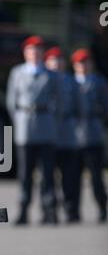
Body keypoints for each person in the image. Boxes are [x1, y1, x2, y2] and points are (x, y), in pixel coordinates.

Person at [7, 36, 61, 225]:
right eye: (31, 49)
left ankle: (49, 210)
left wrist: (54, 121)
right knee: (25, 172)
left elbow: (59, 101)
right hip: (25, 126)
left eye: (38, 49)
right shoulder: (17, 73)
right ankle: (23, 209)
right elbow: (11, 101)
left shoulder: (51, 75)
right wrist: (19, 121)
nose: (35, 53)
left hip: (46, 125)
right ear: (25, 52)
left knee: (47, 172)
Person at [71, 49, 108, 223]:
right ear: (75, 65)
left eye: (86, 62)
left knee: (96, 176)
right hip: (74, 136)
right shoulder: (70, 83)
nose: (83, 66)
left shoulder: (99, 82)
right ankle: (73, 211)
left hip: (94, 134)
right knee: (73, 177)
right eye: (79, 63)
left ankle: (102, 207)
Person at [45, 47, 80, 223]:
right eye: (52, 60)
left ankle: (71, 210)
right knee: (48, 177)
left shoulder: (71, 82)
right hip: (48, 133)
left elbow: (79, 107)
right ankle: (49, 212)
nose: (56, 63)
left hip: (67, 132)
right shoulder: (44, 78)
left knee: (70, 176)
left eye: (59, 60)